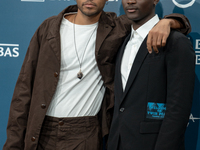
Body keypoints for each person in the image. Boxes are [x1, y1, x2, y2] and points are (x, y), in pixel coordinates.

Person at [3, 0, 191, 150]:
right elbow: (23, 90)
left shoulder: (117, 28)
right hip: (41, 129)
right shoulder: (49, 28)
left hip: (85, 133)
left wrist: (169, 21)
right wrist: (13, 143)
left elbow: (151, 22)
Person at [107, 0, 195, 150]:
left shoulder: (175, 41)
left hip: (152, 144)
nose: (130, 1)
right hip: (117, 142)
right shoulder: (122, 40)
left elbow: (178, 110)